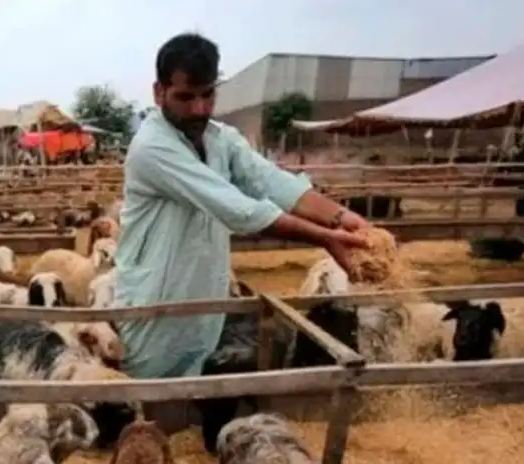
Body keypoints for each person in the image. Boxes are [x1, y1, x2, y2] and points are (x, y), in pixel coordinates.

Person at [114, 32, 371, 384]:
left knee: (192, 386)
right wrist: (325, 237)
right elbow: (238, 209)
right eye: (185, 97)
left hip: (203, 293)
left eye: (207, 95)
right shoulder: (151, 148)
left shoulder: (221, 139)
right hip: (154, 300)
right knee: (148, 393)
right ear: (159, 93)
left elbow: (272, 181)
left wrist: (341, 216)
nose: (199, 108)